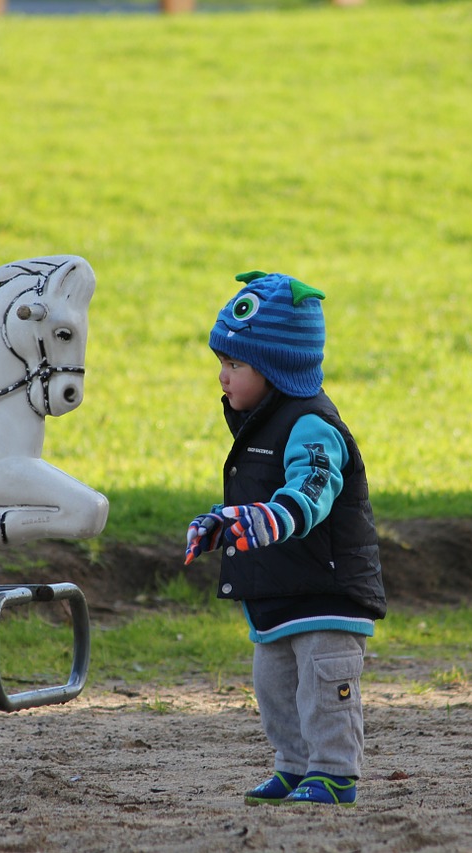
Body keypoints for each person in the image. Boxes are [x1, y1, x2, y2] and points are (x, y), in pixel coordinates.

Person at [184, 270, 386, 807]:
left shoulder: (313, 425)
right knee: (274, 688)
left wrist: (269, 520)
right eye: (221, 364)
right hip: (278, 590)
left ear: (275, 367)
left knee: (324, 687)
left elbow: (311, 490)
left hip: (326, 587)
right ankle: (295, 765)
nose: (223, 378)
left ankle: (335, 771)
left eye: (234, 365)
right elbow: (253, 499)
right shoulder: (259, 423)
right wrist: (221, 523)